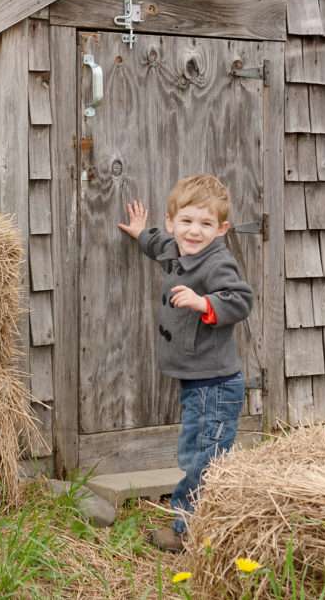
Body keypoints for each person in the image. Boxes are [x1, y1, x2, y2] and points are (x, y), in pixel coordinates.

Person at [117, 174, 253, 552]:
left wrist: (204, 303)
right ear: (172, 220)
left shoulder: (217, 263)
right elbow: (163, 245)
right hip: (197, 380)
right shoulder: (180, 247)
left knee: (204, 458)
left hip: (216, 383)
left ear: (222, 229)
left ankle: (190, 530)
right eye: (187, 222)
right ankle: (204, 524)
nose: (194, 231)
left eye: (206, 224)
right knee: (195, 450)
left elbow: (241, 300)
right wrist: (142, 233)